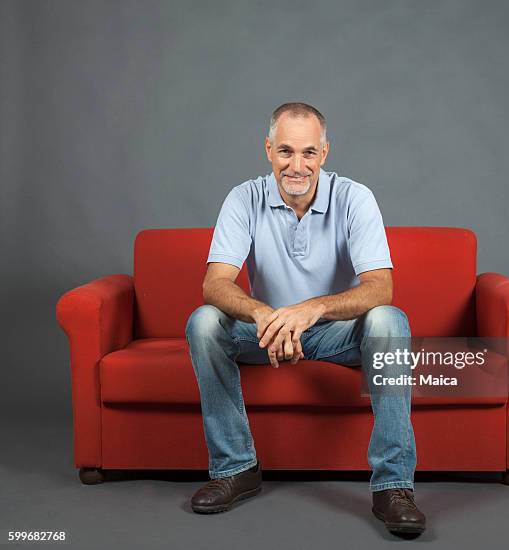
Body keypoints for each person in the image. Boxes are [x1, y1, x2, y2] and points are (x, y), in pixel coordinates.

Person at [185, 102, 426, 535]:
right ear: (268, 150)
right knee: (204, 321)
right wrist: (266, 316)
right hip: (266, 333)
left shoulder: (355, 197)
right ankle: (235, 468)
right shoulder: (244, 197)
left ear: (325, 153)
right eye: (285, 152)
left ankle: (393, 485)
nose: (297, 166)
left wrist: (310, 309)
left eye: (309, 153)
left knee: (389, 319)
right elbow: (215, 283)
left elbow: (379, 288)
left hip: (335, 334)